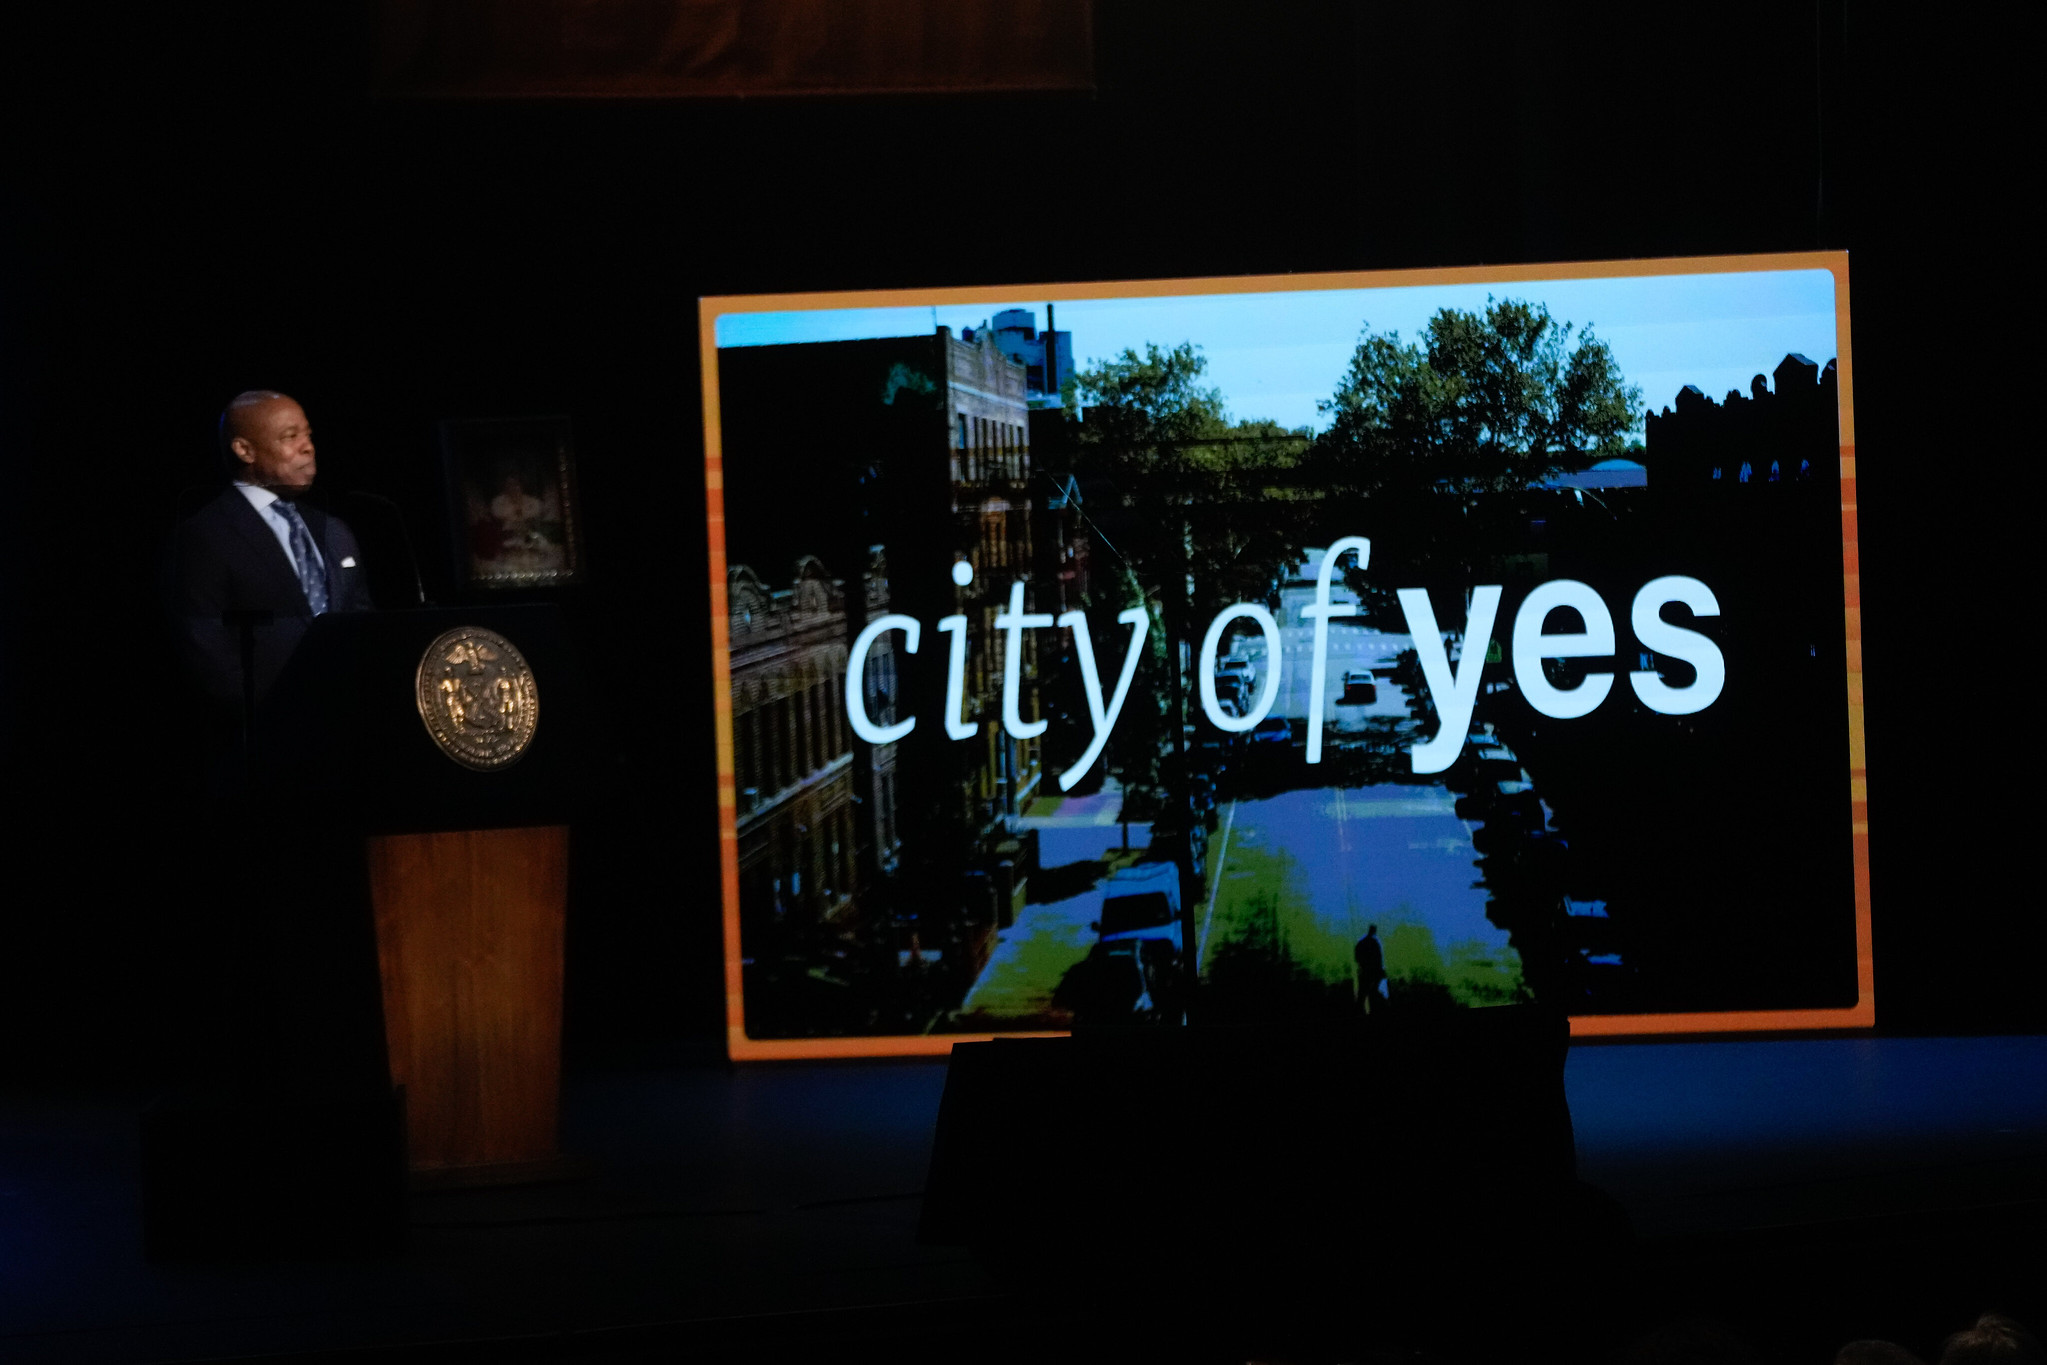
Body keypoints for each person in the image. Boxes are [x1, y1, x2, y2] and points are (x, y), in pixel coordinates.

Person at [166, 390, 375, 706]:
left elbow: (362, 622)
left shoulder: (333, 531)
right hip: (264, 729)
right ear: (244, 450)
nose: (307, 446)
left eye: (308, 435)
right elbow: (206, 646)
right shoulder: (206, 535)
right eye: (290, 437)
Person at [1354, 923, 1386, 1014]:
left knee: (1363, 992)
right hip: (1373, 971)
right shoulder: (1374, 943)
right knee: (1372, 991)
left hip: (1365, 970)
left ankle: (1360, 1010)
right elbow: (1378, 958)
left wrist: (1362, 965)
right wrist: (1380, 970)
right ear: (1374, 931)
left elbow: (1357, 957)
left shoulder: (1362, 942)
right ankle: (1372, 1010)